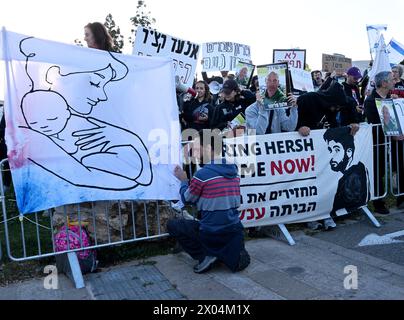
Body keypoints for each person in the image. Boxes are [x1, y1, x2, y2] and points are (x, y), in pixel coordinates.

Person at [16, 28, 152, 190]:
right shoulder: (39, 125)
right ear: (56, 75)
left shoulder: (95, 126)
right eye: (94, 83)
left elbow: (144, 175)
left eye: (103, 85)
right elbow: (77, 175)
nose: (102, 95)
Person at [167, 130, 250, 274]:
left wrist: (183, 180)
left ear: (209, 149)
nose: (195, 154)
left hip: (211, 231)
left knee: (173, 225)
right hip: (234, 228)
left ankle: (205, 255)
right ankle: (229, 253)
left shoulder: (203, 175)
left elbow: (187, 199)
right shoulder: (233, 170)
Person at [364, 71, 396, 214]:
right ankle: (378, 202)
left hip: (394, 139)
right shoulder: (370, 101)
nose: (394, 82)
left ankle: (399, 196)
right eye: (391, 80)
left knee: (397, 165)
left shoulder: (390, 98)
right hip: (378, 141)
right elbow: (376, 121)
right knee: (379, 170)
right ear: (384, 83)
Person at [323, 127, 370, 216]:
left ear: (349, 152)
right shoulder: (345, 174)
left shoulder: (355, 174)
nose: (331, 156)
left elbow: (350, 199)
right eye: (330, 150)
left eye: (336, 150)